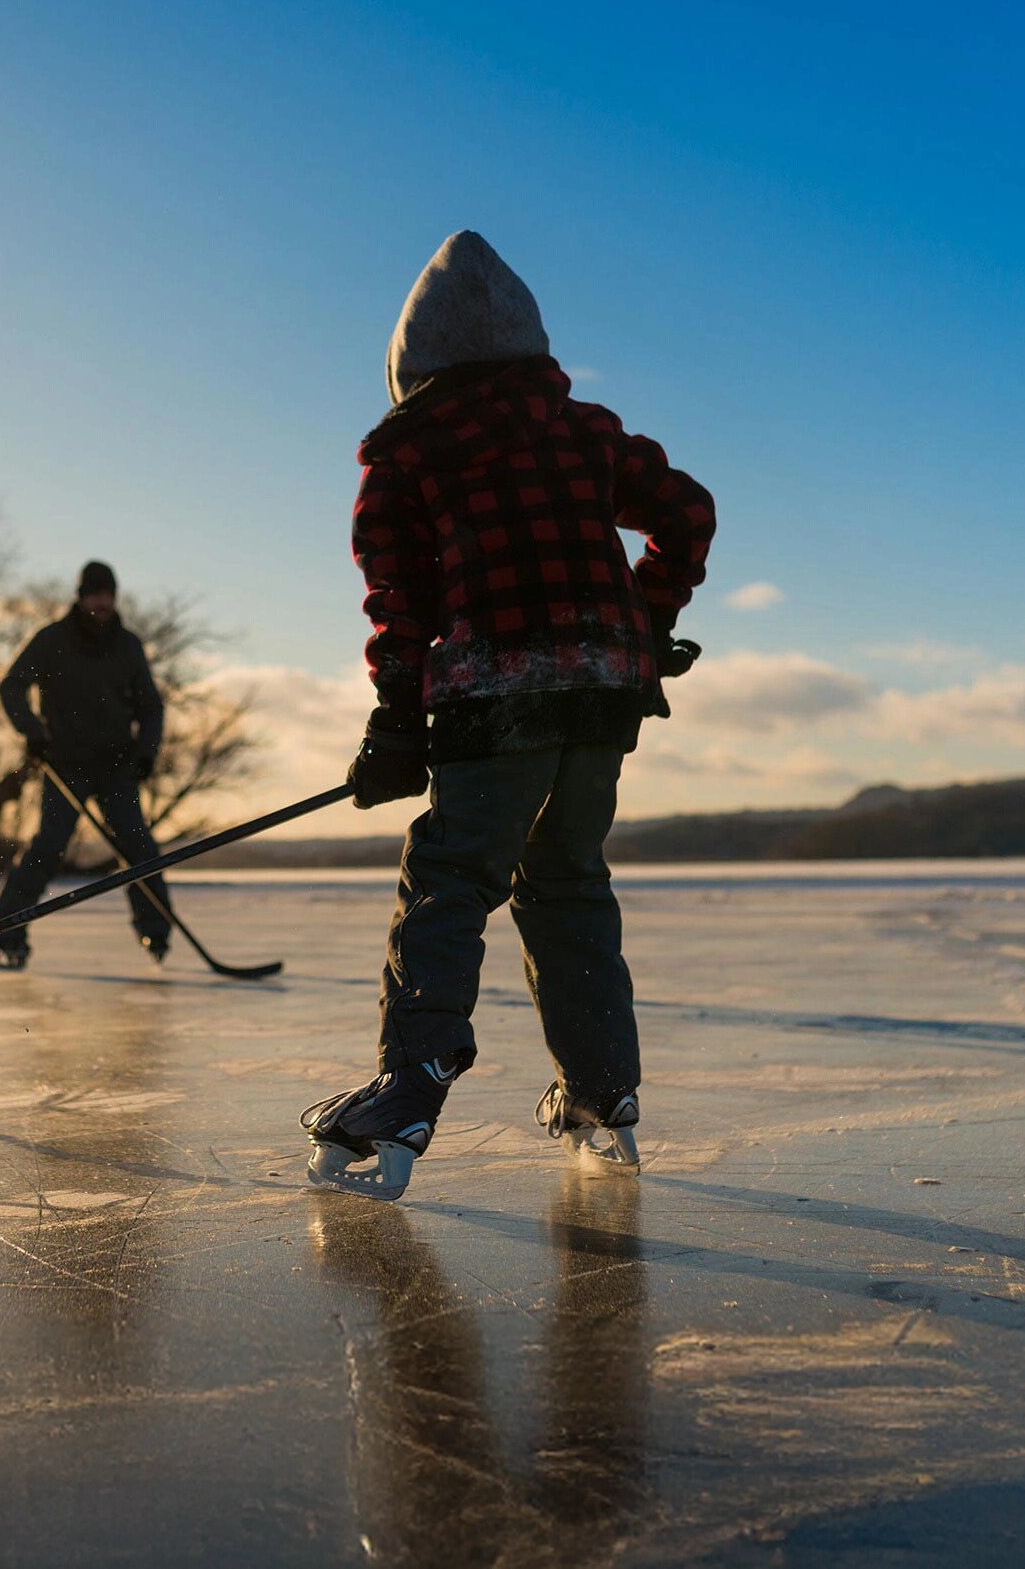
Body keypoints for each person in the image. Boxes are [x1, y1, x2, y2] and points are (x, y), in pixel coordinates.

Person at [302, 231, 715, 1198]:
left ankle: (411, 1085)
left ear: (413, 364)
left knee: (451, 876)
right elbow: (686, 514)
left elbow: (398, 600)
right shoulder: (586, 430)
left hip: (496, 688)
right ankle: (601, 1092)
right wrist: (644, 623)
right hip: (605, 691)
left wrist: (397, 719)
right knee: (567, 879)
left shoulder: (406, 450)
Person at [0, 560, 172, 971]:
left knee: (138, 846)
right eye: (95, 594)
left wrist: (146, 753)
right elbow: (11, 686)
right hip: (65, 764)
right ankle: (6, 929)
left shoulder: (127, 646)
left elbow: (151, 707)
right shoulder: (52, 640)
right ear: (81, 596)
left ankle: (155, 929)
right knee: (49, 846)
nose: (102, 602)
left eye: (108, 595)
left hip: (117, 766)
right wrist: (33, 732)